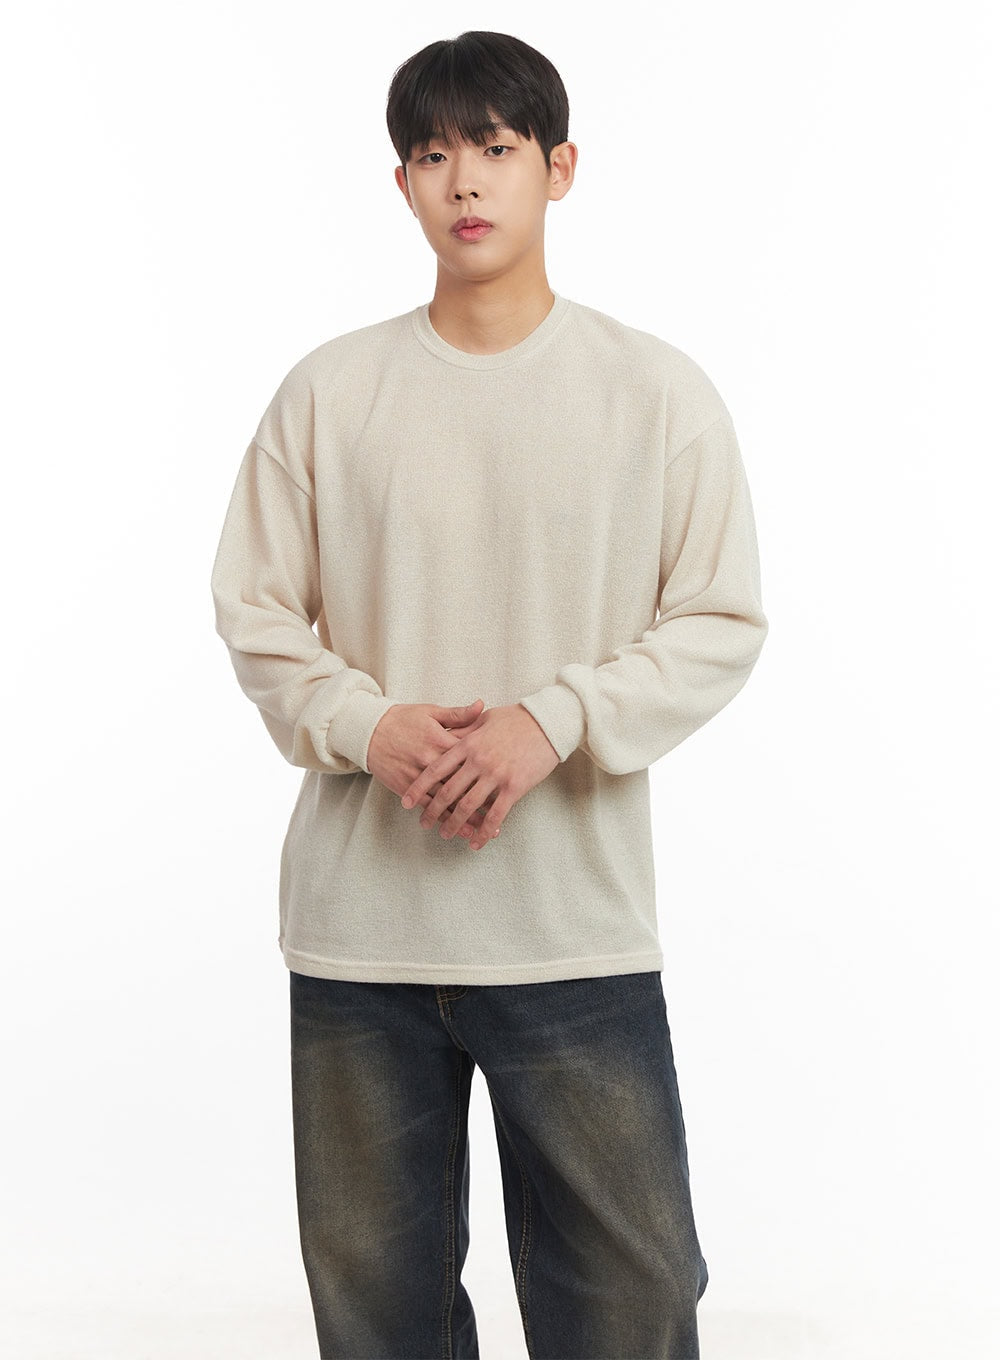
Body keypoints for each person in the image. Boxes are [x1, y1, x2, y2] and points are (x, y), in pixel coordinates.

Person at [210, 28, 768, 1360]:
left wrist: (550, 722)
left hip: (572, 934)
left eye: (497, 148)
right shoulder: (329, 395)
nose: (465, 180)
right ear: (402, 183)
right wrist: (370, 727)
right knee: (377, 1324)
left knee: (632, 1311)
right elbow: (255, 610)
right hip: (363, 941)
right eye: (432, 154)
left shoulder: (656, 396)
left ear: (559, 168)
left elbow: (720, 620)